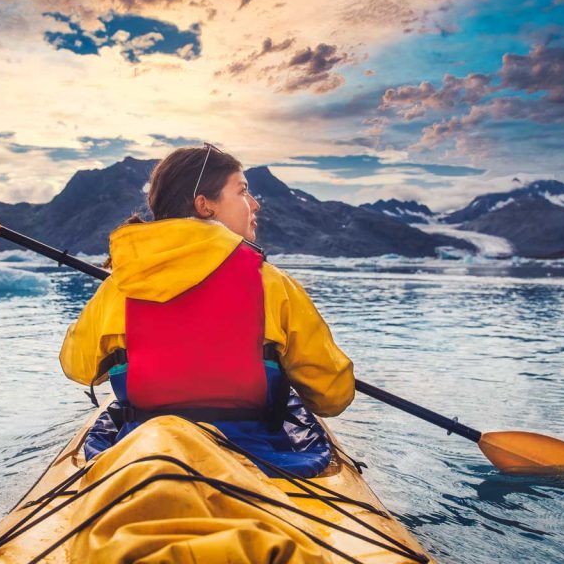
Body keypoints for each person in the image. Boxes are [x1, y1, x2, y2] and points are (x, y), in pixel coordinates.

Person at [59, 143, 354, 477]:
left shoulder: (119, 287)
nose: (254, 203)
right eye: (242, 191)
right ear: (204, 205)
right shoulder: (272, 284)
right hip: (258, 458)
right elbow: (333, 396)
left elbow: (78, 367)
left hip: (144, 455)